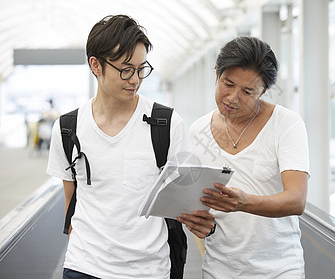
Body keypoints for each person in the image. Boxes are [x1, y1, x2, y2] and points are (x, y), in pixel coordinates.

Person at [47, 15, 215, 279]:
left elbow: (186, 198)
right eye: (125, 69)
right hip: (83, 267)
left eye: (141, 69)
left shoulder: (167, 124)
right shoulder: (69, 128)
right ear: (96, 65)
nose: (135, 79)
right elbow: (73, 204)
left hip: (148, 270)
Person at [181, 36, 310, 278]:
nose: (232, 98)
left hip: (280, 270)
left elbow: (296, 200)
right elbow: (197, 203)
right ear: (217, 73)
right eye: (227, 84)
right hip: (218, 269)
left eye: (247, 91)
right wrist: (197, 222)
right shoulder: (198, 130)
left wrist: (244, 203)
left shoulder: (286, 124)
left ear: (264, 91)